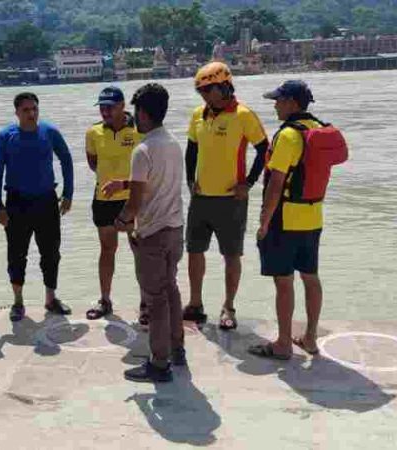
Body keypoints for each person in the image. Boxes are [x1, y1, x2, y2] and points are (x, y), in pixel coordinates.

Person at [250, 80, 339, 360]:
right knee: (311, 277)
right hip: (313, 216)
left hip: (285, 219)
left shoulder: (288, 135)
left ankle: (283, 344)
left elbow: (276, 183)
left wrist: (264, 222)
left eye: (278, 100)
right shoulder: (318, 129)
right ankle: (310, 339)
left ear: (292, 102)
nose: (275, 105)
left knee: (284, 281)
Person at [103, 83, 186, 383]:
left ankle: (159, 363)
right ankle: (177, 349)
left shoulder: (142, 149)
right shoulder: (173, 143)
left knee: (155, 299)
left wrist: (122, 221)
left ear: (142, 112)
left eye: (135, 111)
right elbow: (153, 182)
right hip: (176, 230)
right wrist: (123, 184)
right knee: (172, 289)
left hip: (152, 234)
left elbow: (136, 203)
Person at [184, 62, 270, 330]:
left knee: (231, 255)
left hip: (231, 199)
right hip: (200, 199)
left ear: (225, 85)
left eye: (209, 89)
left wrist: (249, 183)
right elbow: (191, 150)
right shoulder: (198, 114)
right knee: (194, 251)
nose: (205, 96)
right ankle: (195, 304)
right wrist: (190, 180)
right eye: (201, 91)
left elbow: (264, 151)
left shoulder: (244, 115)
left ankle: (228, 306)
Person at [0, 92, 74, 322]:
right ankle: (18, 302)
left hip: (47, 201)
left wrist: (68, 193)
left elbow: (66, 160)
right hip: (17, 203)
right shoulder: (6, 136)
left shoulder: (49, 132)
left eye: (34, 109)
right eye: (26, 110)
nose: (31, 114)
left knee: (51, 252)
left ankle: (50, 298)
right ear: (17, 112)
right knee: (16, 254)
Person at [84, 86, 146, 322]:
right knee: (107, 250)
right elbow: (93, 163)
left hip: (133, 201)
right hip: (104, 201)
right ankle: (105, 300)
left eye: (110, 106)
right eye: (102, 107)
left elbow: (148, 170)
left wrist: (126, 184)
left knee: (140, 252)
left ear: (123, 106)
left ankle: (145, 303)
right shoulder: (93, 132)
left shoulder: (139, 131)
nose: (105, 111)